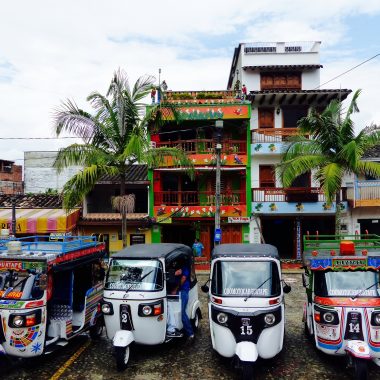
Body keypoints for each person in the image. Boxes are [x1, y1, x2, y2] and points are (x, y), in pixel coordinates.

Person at [176, 263, 194, 342]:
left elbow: (183, 278)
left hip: (183, 291)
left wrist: (175, 289)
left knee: (182, 312)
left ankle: (191, 334)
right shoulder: (176, 266)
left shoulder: (185, 267)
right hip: (178, 291)